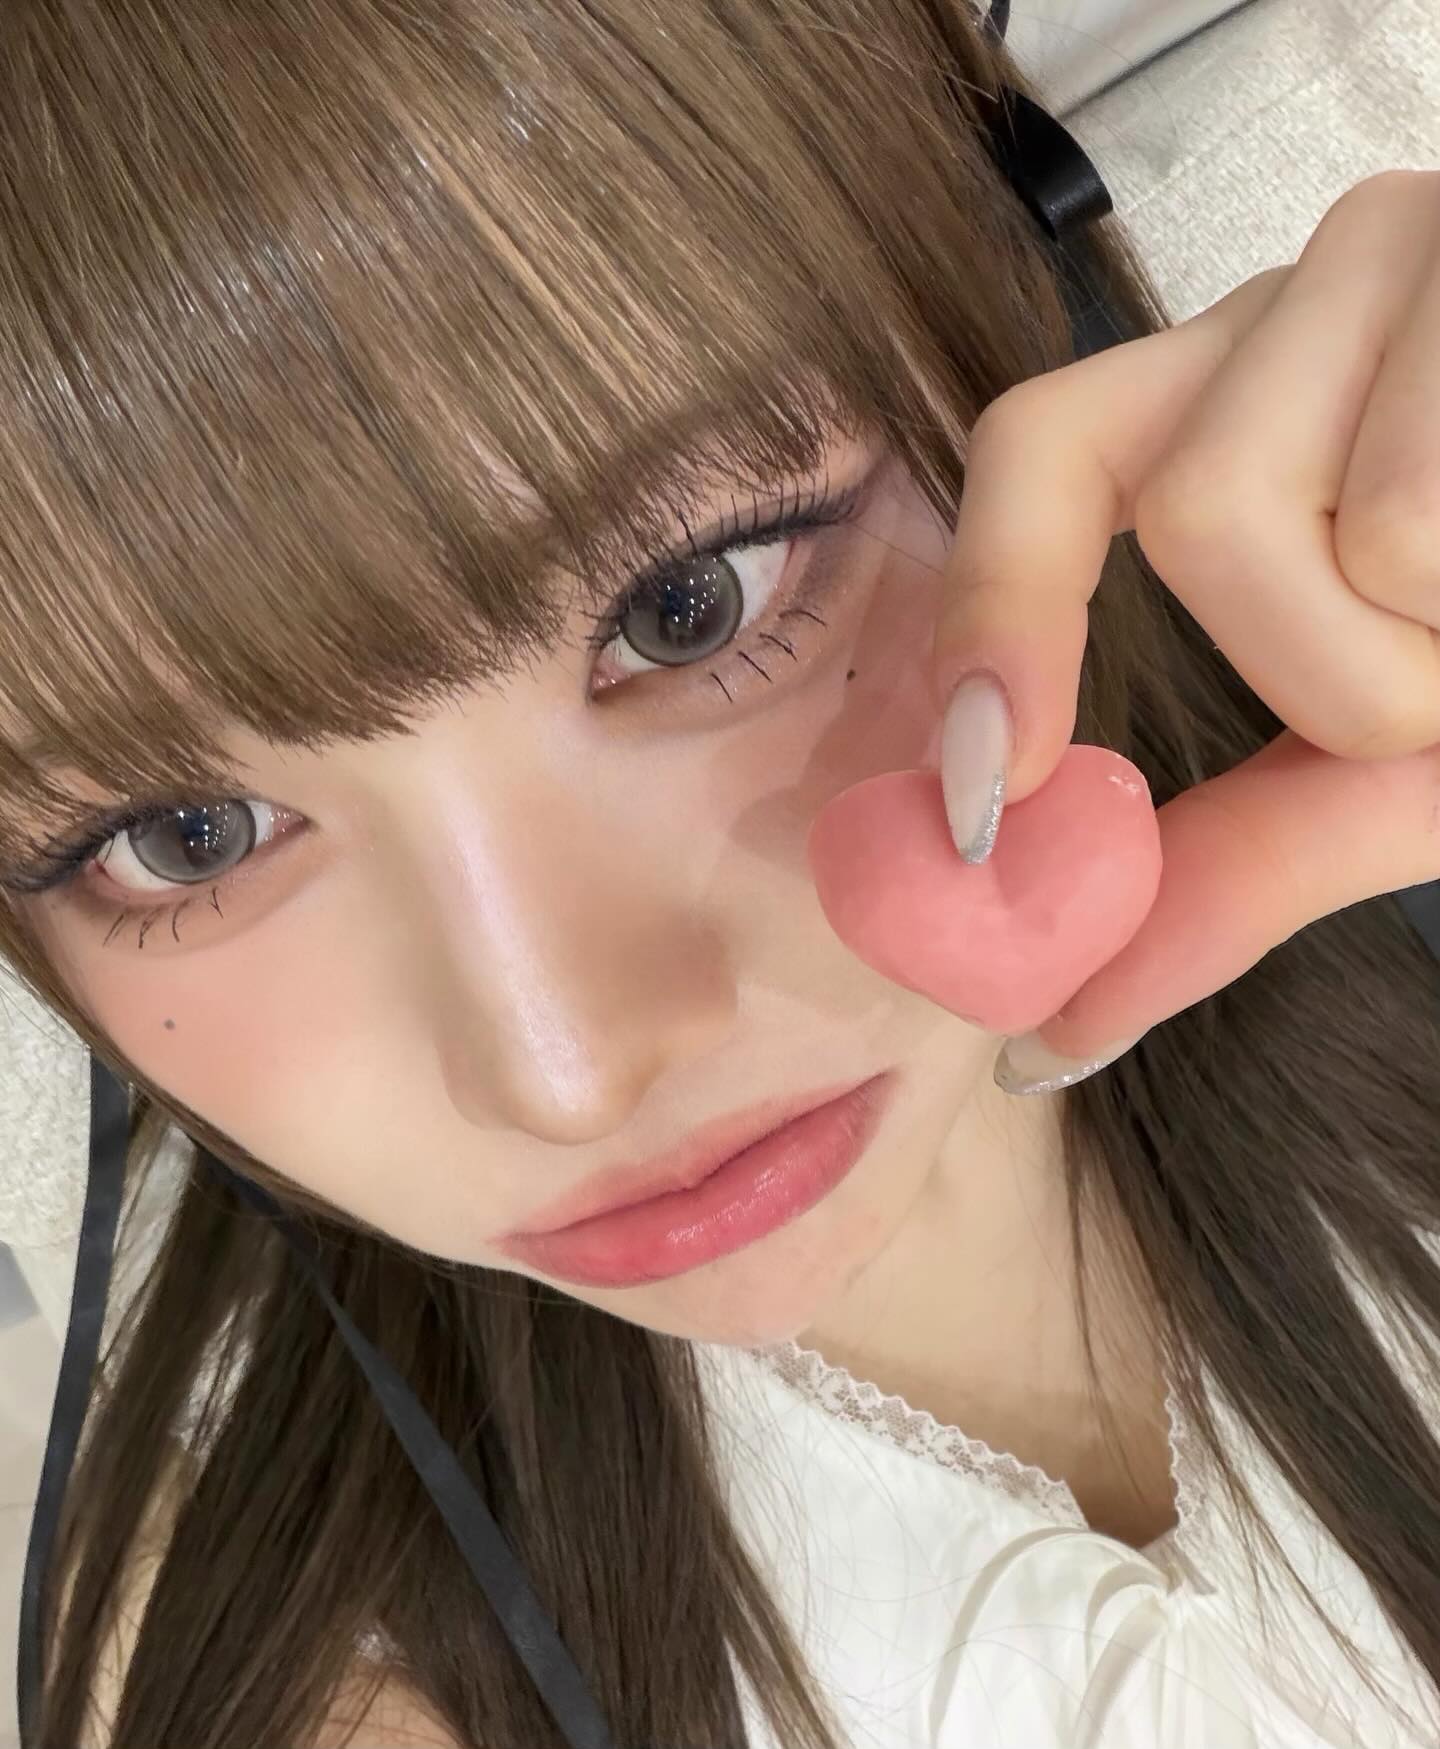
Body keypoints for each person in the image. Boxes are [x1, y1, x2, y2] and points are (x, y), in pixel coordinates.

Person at [3, 0, 1440, 1743]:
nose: (568, 1073)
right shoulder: (340, 1687)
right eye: (184, 835)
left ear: (997, 305)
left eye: (691, 601)